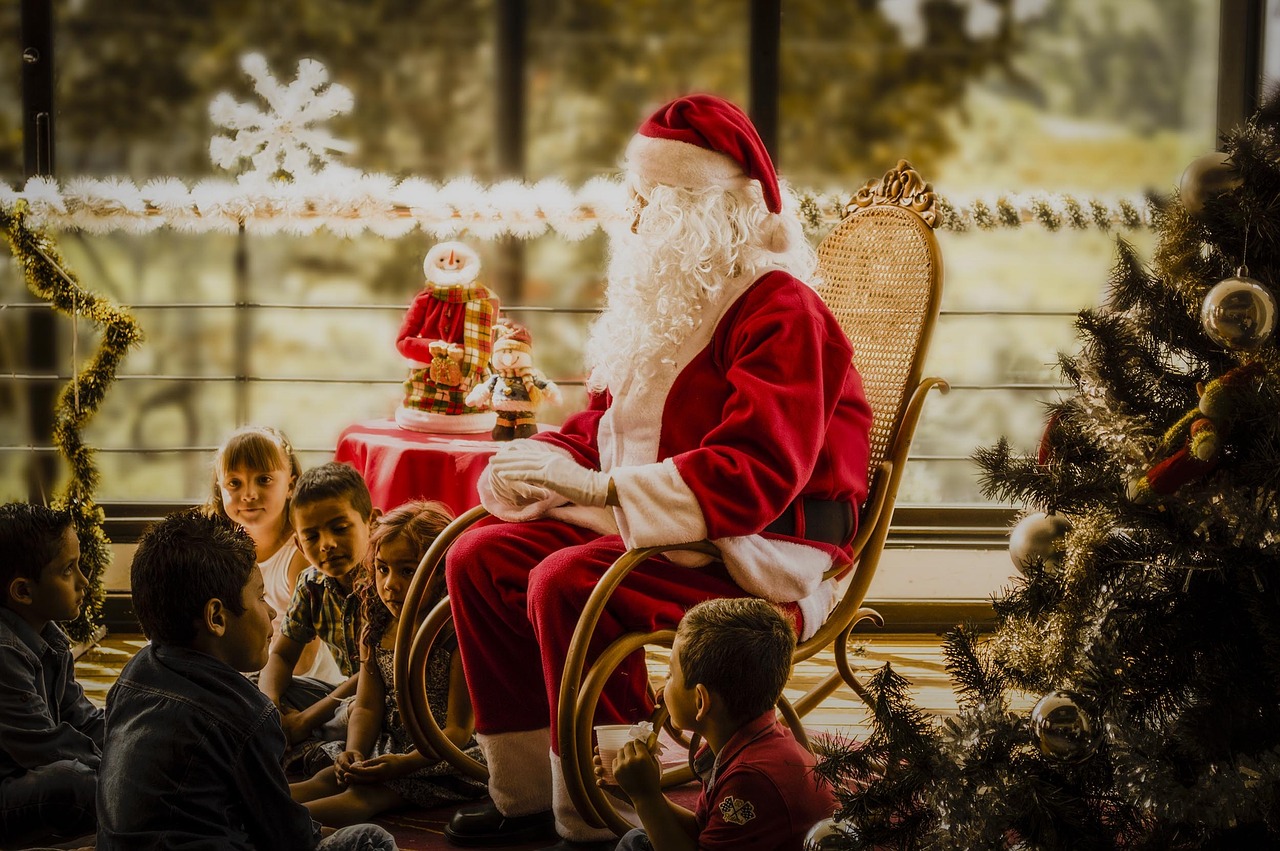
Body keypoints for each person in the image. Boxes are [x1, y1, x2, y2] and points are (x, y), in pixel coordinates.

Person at [443, 94, 873, 850]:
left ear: (705, 213)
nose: (631, 220)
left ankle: (598, 805)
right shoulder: (667, 305)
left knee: (567, 583)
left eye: (650, 203)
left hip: (763, 542)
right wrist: (548, 464)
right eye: (632, 199)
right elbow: (609, 429)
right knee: (479, 556)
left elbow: (755, 473)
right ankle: (524, 798)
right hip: (668, 521)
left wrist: (600, 491)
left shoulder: (781, 311)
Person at [95, 509, 398, 850]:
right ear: (216, 618)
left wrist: (315, 789)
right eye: (260, 596)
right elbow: (286, 835)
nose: (270, 612)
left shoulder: (132, 676)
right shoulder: (246, 715)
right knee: (370, 839)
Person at [292, 500, 487, 825]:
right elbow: (367, 706)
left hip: (446, 757)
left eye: (407, 570)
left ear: (440, 570)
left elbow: (458, 730)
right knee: (327, 778)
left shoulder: (456, 632)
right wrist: (354, 751)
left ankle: (266, 826)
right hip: (390, 742)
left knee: (362, 798)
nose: (390, 584)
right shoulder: (378, 624)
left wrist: (404, 763)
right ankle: (248, 805)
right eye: (382, 568)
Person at [607, 598, 836, 851]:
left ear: (700, 700)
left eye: (671, 674)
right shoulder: (746, 745)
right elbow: (702, 830)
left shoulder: (749, 779)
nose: (662, 689)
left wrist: (645, 797)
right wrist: (636, 791)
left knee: (634, 844)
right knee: (637, 839)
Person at [0, 503, 101, 846]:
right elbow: (45, 747)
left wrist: (137, 746)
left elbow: (83, 719)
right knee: (72, 781)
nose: (84, 581)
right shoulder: (3, 652)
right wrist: (123, 772)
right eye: (68, 570)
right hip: (6, 789)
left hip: (26, 773)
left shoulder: (50, 637)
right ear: (23, 591)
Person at [208, 424, 342, 683]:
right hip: (242, 668)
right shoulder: (218, 549)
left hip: (297, 680)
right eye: (234, 483)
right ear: (220, 489)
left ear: (291, 486)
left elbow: (302, 659)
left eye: (264, 480)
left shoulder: (300, 556)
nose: (248, 494)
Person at [259, 462, 380, 748]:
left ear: (372, 523)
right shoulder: (312, 584)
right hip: (344, 695)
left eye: (340, 528)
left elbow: (375, 673)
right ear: (299, 544)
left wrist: (306, 719)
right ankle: (301, 736)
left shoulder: (387, 583)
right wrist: (269, 707)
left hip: (385, 697)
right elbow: (282, 657)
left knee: (352, 716)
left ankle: (313, 743)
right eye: (312, 536)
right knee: (253, 685)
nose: (327, 544)